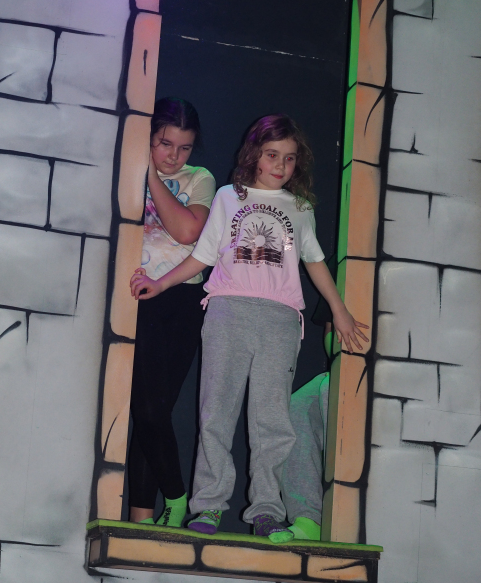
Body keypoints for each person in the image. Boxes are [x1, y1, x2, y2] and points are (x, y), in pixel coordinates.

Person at [130, 114, 369, 543]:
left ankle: (267, 511)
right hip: (228, 312)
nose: (280, 165)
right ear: (255, 155)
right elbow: (202, 256)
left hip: (280, 319)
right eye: (272, 155)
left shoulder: (300, 208)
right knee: (216, 413)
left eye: (290, 158)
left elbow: (315, 261)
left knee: (271, 421)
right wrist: (160, 283)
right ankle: (208, 506)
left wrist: (340, 310)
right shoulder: (228, 197)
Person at [127, 97, 215, 528]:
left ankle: (162, 507)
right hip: (135, 295)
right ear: (149, 137)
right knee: (144, 411)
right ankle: (153, 513)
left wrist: (151, 175)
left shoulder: (199, 178)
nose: (173, 156)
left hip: (181, 300)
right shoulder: (125, 168)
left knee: (154, 410)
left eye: (184, 147)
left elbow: (187, 230)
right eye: (164, 144)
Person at [281, 255, 336, 541]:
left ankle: (342, 512)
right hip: (346, 368)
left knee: (328, 394)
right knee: (296, 407)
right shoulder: (345, 266)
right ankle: (308, 518)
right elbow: (330, 332)